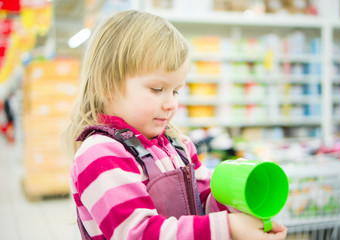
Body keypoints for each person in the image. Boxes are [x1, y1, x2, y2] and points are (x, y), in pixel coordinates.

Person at [63, 10, 288, 240]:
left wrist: (232, 198)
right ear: (107, 84)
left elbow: (203, 208)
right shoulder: (100, 155)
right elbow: (137, 233)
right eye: (157, 89)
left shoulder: (180, 147)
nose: (171, 103)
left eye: (176, 90)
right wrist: (227, 228)